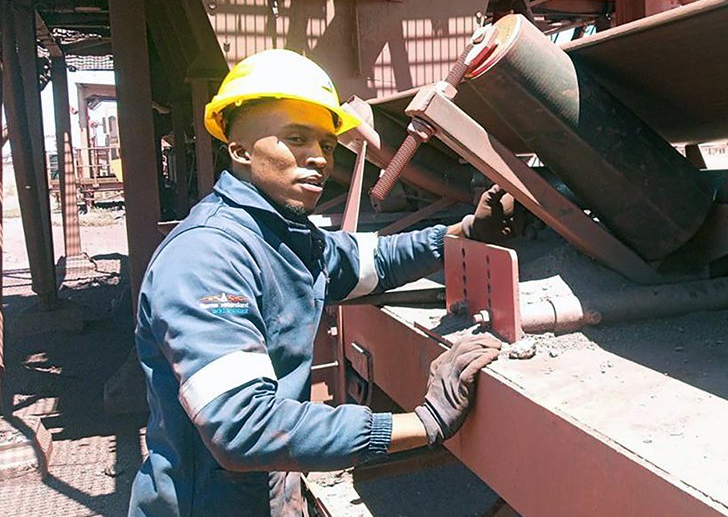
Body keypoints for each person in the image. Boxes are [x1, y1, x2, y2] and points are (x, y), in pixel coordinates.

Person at [128, 49, 512, 516]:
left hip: (264, 492)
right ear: (240, 150)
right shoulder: (206, 257)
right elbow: (243, 427)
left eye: (327, 145)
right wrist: (422, 424)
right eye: (296, 139)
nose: (318, 159)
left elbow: (369, 261)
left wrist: (462, 233)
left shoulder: (283, 236)